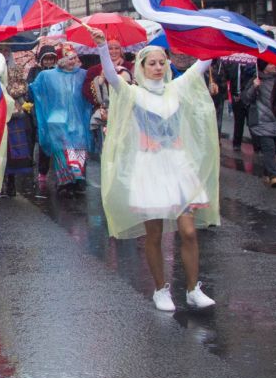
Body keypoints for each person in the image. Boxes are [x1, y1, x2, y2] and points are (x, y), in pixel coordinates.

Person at [91, 37, 220, 311]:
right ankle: (160, 289)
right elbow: (112, 78)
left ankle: (193, 288)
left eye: (162, 62)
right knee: (155, 233)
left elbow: (203, 63)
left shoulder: (176, 89)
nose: (158, 67)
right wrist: (102, 47)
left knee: (188, 231)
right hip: (150, 167)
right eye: (153, 63)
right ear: (142, 67)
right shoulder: (134, 93)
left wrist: (212, 36)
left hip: (178, 165)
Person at [28, 43, 92, 200]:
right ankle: (66, 182)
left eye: (74, 58)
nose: (71, 61)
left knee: (79, 148)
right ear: (62, 59)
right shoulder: (48, 75)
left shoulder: (83, 74)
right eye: (68, 58)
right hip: (57, 121)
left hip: (77, 121)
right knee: (64, 150)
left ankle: (78, 179)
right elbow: (34, 88)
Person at [238, 67, 276, 186]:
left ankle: (267, 173)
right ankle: (274, 175)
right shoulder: (256, 79)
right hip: (262, 120)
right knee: (268, 148)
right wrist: (254, 87)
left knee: (274, 149)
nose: (274, 65)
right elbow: (246, 98)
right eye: (270, 63)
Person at [2, 77, 38, 198]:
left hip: (16, 121)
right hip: (1, 116)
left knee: (13, 154)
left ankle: (10, 181)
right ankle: (2, 181)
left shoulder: (19, 82)